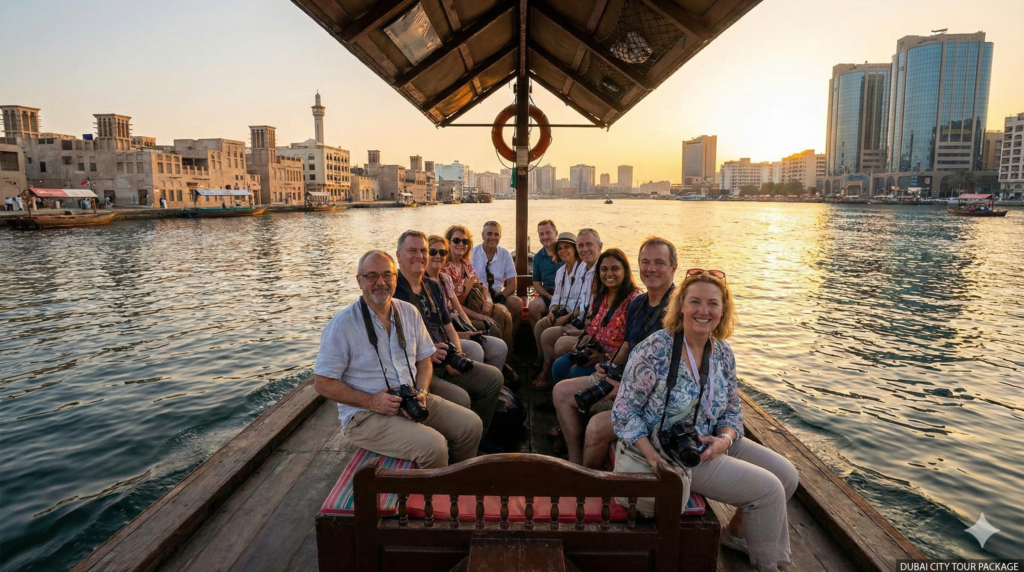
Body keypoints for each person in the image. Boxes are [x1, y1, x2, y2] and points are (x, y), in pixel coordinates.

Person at [611, 269, 798, 571]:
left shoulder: (722, 352)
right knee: (768, 490)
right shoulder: (654, 351)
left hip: (712, 440)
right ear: (681, 305)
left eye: (713, 303)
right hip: (670, 453)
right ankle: (771, 565)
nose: (703, 311)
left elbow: (732, 411)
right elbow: (623, 412)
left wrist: (725, 439)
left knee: (787, 475)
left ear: (723, 310)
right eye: (695, 301)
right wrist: (652, 457)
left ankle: (736, 534)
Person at [312, 250, 482, 469]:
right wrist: (372, 401)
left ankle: (456, 480)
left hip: (409, 400)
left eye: (387, 275)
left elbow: (424, 360)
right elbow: (322, 383)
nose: (381, 282)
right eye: (372, 276)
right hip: (366, 415)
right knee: (434, 446)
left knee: (471, 425)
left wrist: (422, 392)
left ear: (395, 278)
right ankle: (436, 488)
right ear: (359, 281)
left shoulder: (409, 312)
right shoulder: (342, 325)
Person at [553, 237, 678, 467]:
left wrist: (627, 387)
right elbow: (627, 345)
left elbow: (678, 373)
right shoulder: (638, 303)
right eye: (645, 262)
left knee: (596, 427)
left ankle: (588, 478)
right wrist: (608, 367)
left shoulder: (679, 312)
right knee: (561, 391)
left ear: (673, 267)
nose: (651, 268)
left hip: (652, 397)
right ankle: (574, 464)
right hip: (623, 378)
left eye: (659, 263)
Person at [392, 230, 504, 452]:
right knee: (461, 398)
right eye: (412, 250)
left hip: (445, 357)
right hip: (418, 368)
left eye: (423, 251)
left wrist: (458, 352)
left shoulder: (433, 286)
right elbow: (393, 342)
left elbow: (448, 326)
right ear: (398, 255)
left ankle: (479, 436)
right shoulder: (393, 290)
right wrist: (428, 351)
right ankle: (456, 445)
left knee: (493, 378)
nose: (420, 255)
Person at [550, 249, 640, 385]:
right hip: (594, 349)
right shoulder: (600, 297)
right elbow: (592, 330)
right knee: (558, 367)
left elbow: (632, 347)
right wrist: (581, 343)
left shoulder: (634, 301)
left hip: (615, 358)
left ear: (625, 271)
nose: (609, 274)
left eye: (615, 268)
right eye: (604, 269)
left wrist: (602, 356)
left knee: (574, 374)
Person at [532, 229, 602, 389]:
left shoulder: (585, 269)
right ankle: (543, 361)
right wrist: (552, 310)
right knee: (541, 325)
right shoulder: (562, 272)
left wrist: (567, 316)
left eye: (567, 247)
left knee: (548, 335)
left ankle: (547, 372)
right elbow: (557, 297)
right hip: (574, 317)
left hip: (579, 320)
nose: (563, 251)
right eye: (560, 248)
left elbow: (583, 305)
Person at [426, 234, 508, 370]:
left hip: (455, 321)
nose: (438, 256)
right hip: (442, 331)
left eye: (442, 252)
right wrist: (461, 335)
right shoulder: (423, 283)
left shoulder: (445, 278)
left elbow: (458, 308)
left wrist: (470, 329)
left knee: (500, 346)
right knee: (478, 345)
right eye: (432, 251)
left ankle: (495, 375)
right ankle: (480, 379)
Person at [441, 225, 514, 358]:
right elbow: (453, 305)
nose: (461, 244)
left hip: (475, 305)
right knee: (494, 327)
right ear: (448, 243)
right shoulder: (445, 269)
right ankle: (496, 358)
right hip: (458, 314)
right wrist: (478, 316)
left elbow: (482, 286)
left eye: (465, 241)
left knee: (504, 313)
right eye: (456, 240)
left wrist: (487, 301)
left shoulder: (466, 265)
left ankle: (507, 358)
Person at [470, 221, 523, 338]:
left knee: (517, 303)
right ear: (482, 235)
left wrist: (502, 296)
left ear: (500, 237)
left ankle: (510, 341)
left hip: (498, 295)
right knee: (499, 311)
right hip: (479, 296)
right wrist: (486, 298)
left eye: (496, 234)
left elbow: (512, 284)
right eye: (489, 234)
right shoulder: (472, 254)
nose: (493, 237)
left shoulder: (505, 254)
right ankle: (493, 338)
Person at [528, 220, 563, 339]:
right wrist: (549, 297)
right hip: (548, 294)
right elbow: (537, 283)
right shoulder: (538, 257)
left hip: (566, 294)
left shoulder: (565, 252)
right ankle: (539, 344)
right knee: (533, 306)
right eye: (541, 234)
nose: (545, 237)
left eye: (548, 233)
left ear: (556, 233)